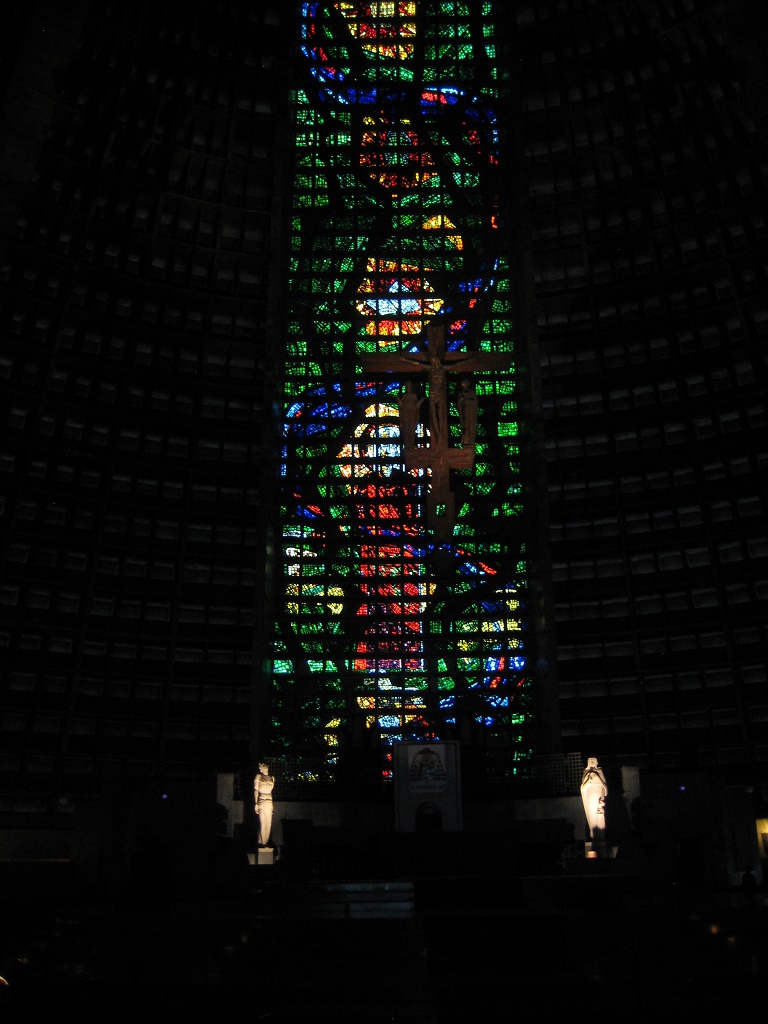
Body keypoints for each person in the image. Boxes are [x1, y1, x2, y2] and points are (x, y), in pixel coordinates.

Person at [580, 756, 607, 838]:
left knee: (600, 813)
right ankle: (593, 832)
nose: (592, 761)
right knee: (592, 816)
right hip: (590, 798)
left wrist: (597, 778)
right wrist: (588, 781)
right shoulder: (586, 772)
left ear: (597, 762)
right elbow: (583, 788)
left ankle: (602, 833)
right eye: (590, 760)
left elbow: (604, 786)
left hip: (598, 796)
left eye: (593, 760)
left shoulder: (599, 771)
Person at [254, 763, 275, 847]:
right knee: (263, 823)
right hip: (262, 800)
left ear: (265, 767)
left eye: (261, 768)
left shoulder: (272, 778)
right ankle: (263, 843)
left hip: (269, 801)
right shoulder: (258, 777)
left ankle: (266, 841)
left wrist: (272, 804)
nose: (260, 770)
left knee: (269, 823)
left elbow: (271, 792)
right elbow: (256, 791)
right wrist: (256, 803)